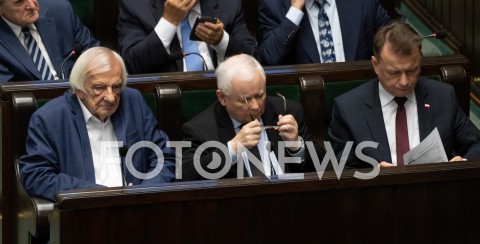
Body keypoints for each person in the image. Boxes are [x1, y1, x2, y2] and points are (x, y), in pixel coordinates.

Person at [19, 46, 176, 244]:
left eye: (116, 87)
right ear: (79, 90)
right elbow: (36, 175)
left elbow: (163, 155)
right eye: (100, 88)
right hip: (84, 226)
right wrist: (97, 197)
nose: (111, 97)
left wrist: (143, 195)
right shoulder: (50, 118)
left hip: (140, 219)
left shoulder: (132, 101)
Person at [328, 22, 480, 168]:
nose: (404, 81)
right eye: (394, 73)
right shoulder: (348, 108)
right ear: (375, 65)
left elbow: (476, 144)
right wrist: (373, 176)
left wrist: (463, 163)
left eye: (412, 70)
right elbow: (341, 170)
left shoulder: (443, 97)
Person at [181, 53, 325, 181]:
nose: (255, 106)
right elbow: (186, 176)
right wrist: (232, 149)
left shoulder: (287, 110)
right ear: (222, 97)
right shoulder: (200, 129)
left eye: (259, 95)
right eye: (245, 100)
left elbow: (323, 167)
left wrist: (296, 145)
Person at [117, 0, 259, 74]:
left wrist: (221, 40)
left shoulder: (228, 3)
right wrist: (168, 22)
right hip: (169, 102)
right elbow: (131, 65)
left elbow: (254, 59)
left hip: (225, 95)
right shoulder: (135, 5)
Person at [258, 0, 393, 66]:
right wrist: (295, 10)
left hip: (358, 101)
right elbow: (269, 60)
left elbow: (394, 38)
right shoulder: (273, 4)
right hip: (305, 107)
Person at [0, 0, 100, 83]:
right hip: (31, 104)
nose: (32, 5)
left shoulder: (61, 11)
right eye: (19, 2)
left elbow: (95, 57)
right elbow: (7, 94)